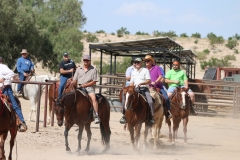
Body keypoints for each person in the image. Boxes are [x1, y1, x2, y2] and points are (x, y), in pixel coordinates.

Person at [120, 58, 154, 124]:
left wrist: (142, 83)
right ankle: (124, 115)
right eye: (136, 62)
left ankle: (151, 116)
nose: (137, 64)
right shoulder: (133, 72)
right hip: (135, 90)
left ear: (141, 63)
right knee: (126, 100)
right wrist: (131, 87)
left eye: (138, 62)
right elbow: (131, 82)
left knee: (150, 101)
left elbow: (148, 81)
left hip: (144, 89)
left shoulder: (145, 71)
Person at [0, 57, 27, 132]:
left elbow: (11, 73)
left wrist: (4, 79)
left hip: (6, 89)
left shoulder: (3, 67)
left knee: (14, 104)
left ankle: (21, 122)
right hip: (2, 89)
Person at [72, 55, 100, 124]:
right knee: (71, 98)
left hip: (89, 87)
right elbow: (75, 80)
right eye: (84, 60)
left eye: (87, 60)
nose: (85, 62)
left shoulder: (93, 69)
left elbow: (94, 81)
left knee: (93, 98)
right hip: (79, 87)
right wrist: (74, 84)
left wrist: (86, 85)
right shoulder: (79, 69)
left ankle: (96, 115)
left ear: (90, 61)